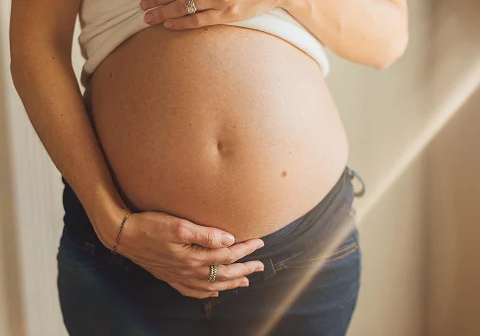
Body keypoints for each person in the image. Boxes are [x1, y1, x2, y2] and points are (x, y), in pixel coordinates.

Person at [10, 0, 408, 335]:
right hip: (126, 262)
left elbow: (387, 39)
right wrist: (110, 221)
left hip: (301, 259)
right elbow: (35, 43)